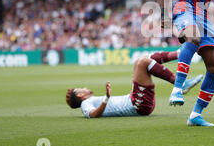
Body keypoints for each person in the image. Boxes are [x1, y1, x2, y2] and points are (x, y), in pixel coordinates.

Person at [65, 50, 203, 118]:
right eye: (81, 88)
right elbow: (93, 115)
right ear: (80, 94)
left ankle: (180, 52)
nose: (85, 88)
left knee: (142, 60)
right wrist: (107, 97)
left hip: (136, 100)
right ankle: (180, 84)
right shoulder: (85, 104)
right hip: (138, 104)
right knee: (142, 62)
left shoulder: (89, 100)